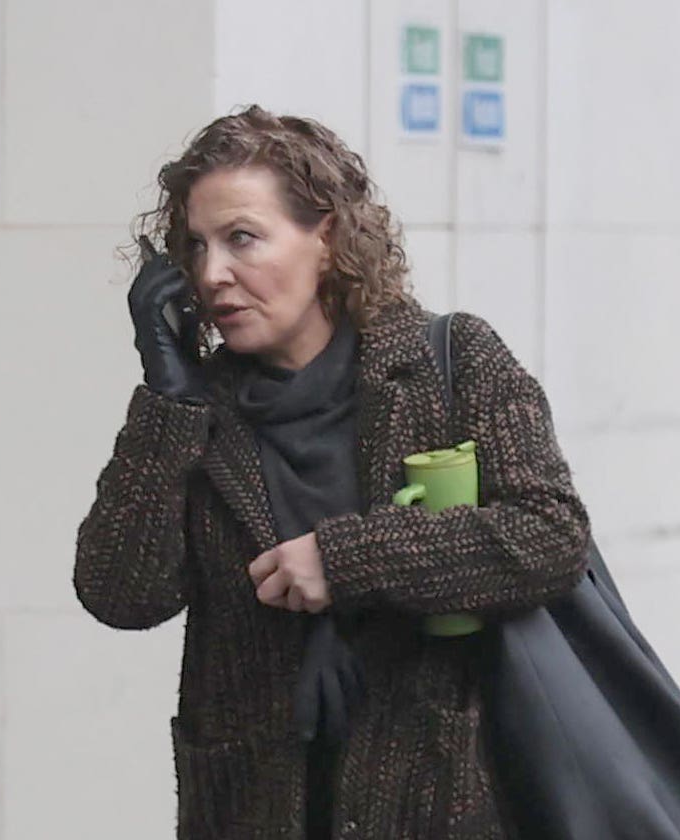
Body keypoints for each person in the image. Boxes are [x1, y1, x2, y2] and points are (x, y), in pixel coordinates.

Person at [73, 105, 589, 839]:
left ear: (326, 237)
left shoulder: (448, 364)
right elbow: (121, 592)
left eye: (242, 238)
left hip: (436, 801)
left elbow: (549, 536)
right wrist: (168, 397)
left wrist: (344, 560)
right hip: (252, 810)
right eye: (195, 245)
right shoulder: (198, 415)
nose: (213, 273)